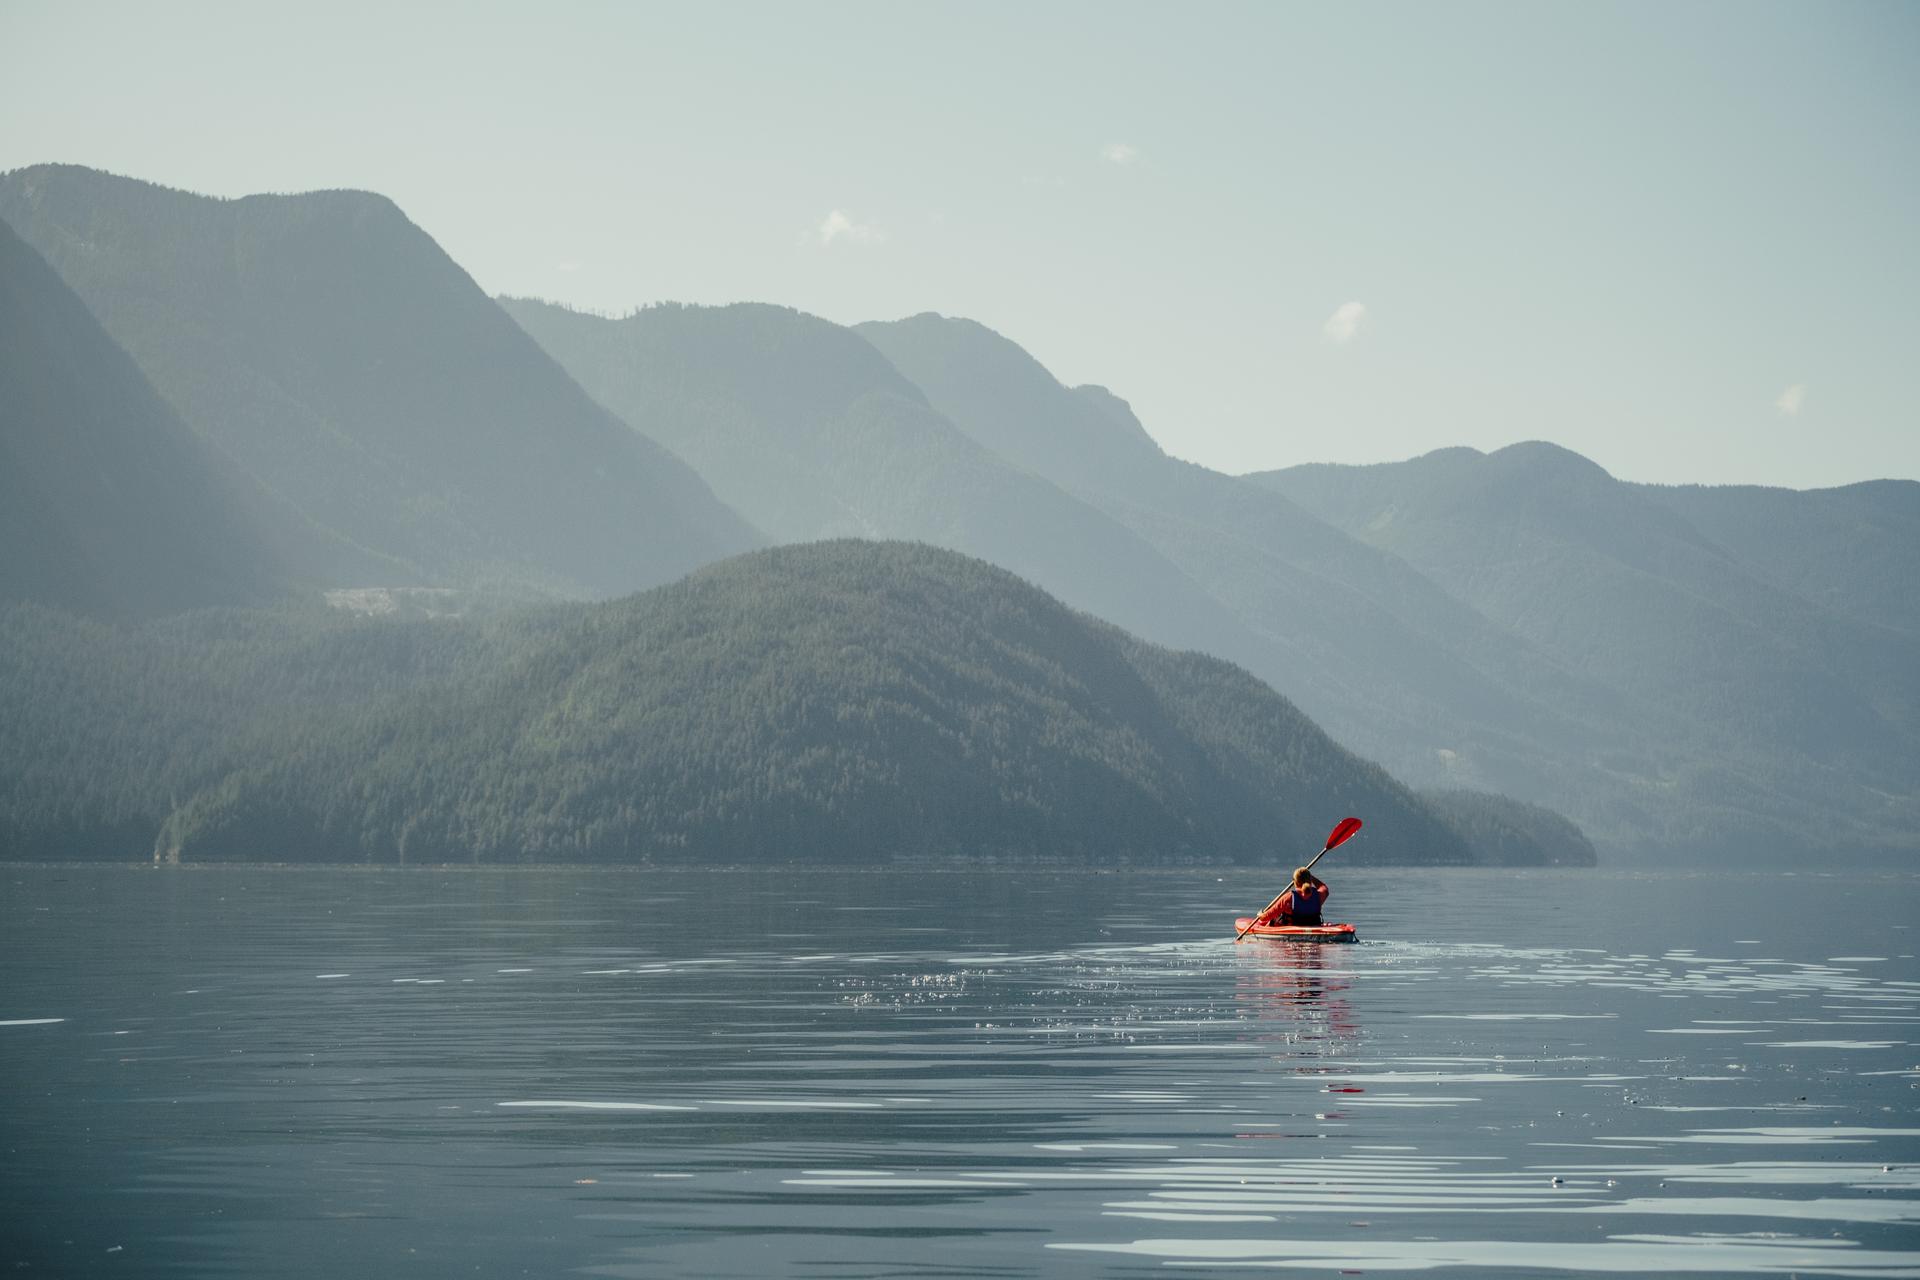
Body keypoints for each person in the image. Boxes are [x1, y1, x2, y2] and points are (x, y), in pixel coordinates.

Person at [1257, 866, 1329, 926]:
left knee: (1275, 918)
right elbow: (1323, 888)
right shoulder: (1319, 895)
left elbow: (1266, 917)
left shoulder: (1289, 897)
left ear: (1294, 882)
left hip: (1293, 929)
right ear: (1310, 880)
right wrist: (1311, 877)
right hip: (1314, 925)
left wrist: (1260, 915)